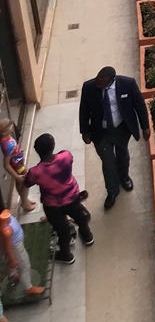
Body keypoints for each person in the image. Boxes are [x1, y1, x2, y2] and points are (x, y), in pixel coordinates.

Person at [79, 66, 150, 210]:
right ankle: (112, 191)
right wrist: (85, 131)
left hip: (121, 129)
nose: (97, 83)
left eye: (101, 81)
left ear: (111, 80)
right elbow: (84, 110)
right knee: (108, 162)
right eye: (97, 79)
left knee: (123, 154)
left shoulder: (127, 84)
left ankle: (124, 177)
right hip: (101, 132)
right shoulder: (89, 87)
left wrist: (145, 126)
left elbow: (140, 106)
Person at [23, 134, 93, 263]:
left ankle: (66, 255)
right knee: (80, 217)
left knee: (62, 230)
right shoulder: (65, 156)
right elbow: (70, 160)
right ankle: (87, 236)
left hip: (53, 206)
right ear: (53, 146)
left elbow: (27, 182)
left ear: (37, 151)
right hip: (73, 197)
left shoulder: (36, 172)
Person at [0, 210, 44, 299]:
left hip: (16, 242)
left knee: (14, 263)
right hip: (15, 247)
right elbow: (8, 247)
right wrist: (12, 259)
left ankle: (13, 274)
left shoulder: (6, 216)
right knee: (24, 266)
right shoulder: (6, 230)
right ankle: (28, 287)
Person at [0, 120, 34, 212]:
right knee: (26, 180)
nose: (12, 127)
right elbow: (6, 165)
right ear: (4, 132)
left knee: (20, 182)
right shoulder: (7, 145)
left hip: (18, 161)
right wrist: (16, 176)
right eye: (9, 126)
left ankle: (24, 199)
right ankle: (24, 202)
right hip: (17, 165)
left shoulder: (8, 138)